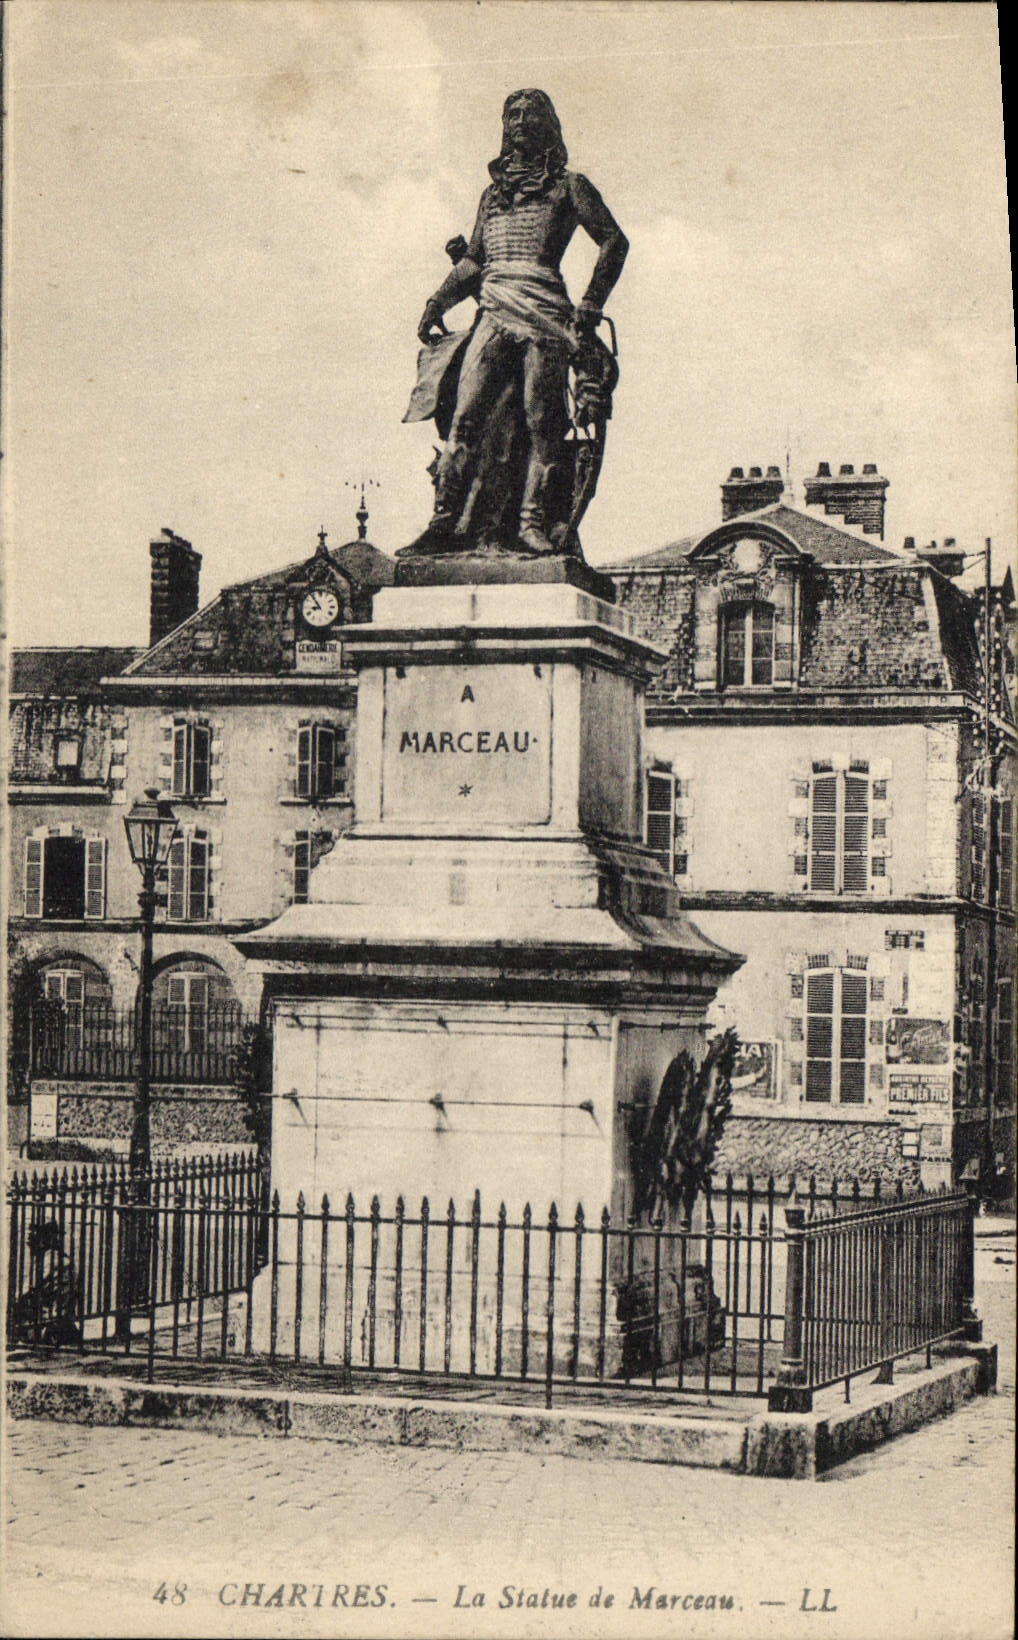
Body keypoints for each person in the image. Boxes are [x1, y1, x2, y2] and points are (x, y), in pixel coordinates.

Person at [407, 89, 628, 556]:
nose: (520, 121)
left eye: (531, 113)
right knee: (464, 419)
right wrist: (436, 303)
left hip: (544, 313)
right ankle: (443, 521)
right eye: (512, 114)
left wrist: (591, 300)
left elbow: (613, 241)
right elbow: (473, 263)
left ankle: (532, 524)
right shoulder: (492, 194)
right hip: (494, 307)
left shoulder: (570, 186)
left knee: (542, 420)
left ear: (549, 124)